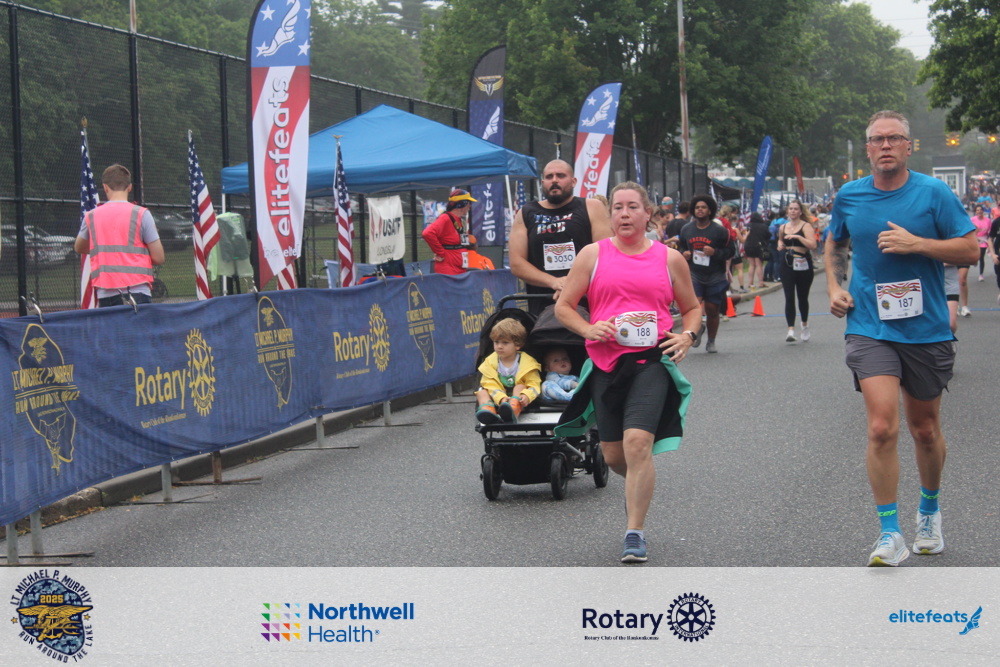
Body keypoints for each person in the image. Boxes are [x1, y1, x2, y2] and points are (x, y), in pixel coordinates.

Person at [825, 110, 978, 567]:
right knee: (881, 426)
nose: (886, 145)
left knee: (924, 429)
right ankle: (889, 532)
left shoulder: (933, 193)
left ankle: (929, 512)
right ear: (868, 148)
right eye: (878, 139)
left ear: (909, 146)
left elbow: (970, 248)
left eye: (894, 138)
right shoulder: (850, 195)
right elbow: (835, 242)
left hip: (925, 328)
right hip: (870, 326)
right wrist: (834, 286)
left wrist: (919, 244)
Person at [554, 181, 702, 563]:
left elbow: (692, 308)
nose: (624, 213)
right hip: (606, 363)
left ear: (647, 214)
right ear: (610, 215)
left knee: (638, 444)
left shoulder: (669, 259)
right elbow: (564, 307)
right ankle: (639, 483)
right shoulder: (592, 255)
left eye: (632, 206)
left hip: (651, 362)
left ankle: (634, 532)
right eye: (617, 207)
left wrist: (687, 336)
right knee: (615, 456)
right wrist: (589, 329)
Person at [508, 159, 612, 314]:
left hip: (588, 303)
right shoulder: (526, 212)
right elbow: (517, 263)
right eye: (549, 177)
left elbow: (606, 255)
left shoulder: (592, 207)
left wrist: (573, 286)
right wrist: (554, 282)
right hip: (542, 305)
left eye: (561, 175)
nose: (554, 180)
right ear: (543, 182)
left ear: (573, 181)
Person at [74, 164, 165, 308]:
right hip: (138, 290)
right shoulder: (141, 214)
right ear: (129, 187)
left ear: (105, 187)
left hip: (106, 292)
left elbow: (79, 247)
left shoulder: (91, 216)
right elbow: (159, 257)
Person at [677, 194, 733, 353]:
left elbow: (731, 251)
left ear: (710, 210)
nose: (700, 210)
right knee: (693, 305)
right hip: (694, 274)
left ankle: (711, 340)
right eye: (697, 208)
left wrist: (715, 252)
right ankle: (698, 327)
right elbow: (681, 247)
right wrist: (684, 253)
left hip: (715, 275)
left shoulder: (720, 231)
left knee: (712, 309)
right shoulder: (687, 229)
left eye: (703, 207)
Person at [475, 318, 541, 424]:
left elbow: (534, 384)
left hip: (519, 399)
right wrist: (501, 398)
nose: (499, 346)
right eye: (496, 342)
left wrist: (527, 396)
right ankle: (488, 411)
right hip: (497, 397)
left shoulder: (528, 363)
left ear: (517, 345)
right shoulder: (490, 362)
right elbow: (489, 383)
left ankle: (512, 409)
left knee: (520, 386)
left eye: (505, 343)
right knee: (482, 392)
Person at [778, 200, 818, 342]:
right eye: (791, 209)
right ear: (787, 211)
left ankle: (804, 325)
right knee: (789, 296)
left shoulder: (806, 226)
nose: (793, 211)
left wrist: (798, 237)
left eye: (796, 209)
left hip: (803, 263)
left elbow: (813, 245)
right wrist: (780, 245)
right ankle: (791, 330)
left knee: (802, 297)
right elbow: (780, 240)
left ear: (800, 212)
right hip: (787, 263)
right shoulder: (783, 227)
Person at [421, 189, 478, 275]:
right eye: (469, 203)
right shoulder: (445, 218)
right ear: (463, 204)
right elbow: (427, 233)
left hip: (459, 268)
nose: (470, 206)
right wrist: (440, 253)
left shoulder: (459, 220)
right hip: (449, 269)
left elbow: (461, 242)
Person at [740, 212, 770, 289]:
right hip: (759, 246)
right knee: (759, 264)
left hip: (748, 246)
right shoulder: (763, 226)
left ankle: (750, 282)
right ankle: (761, 282)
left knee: (751, 264)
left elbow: (743, 233)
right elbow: (768, 235)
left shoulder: (747, 226)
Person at [970, 204, 991, 281]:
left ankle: (981, 274)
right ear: (975, 212)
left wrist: (990, 242)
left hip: (983, 240)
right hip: (975, 239)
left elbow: (989, 231)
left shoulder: (988, 220)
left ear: (983, 211)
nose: (979, 211)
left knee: (981, 256)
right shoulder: (972, 220)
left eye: (980, 210)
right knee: (976, 255)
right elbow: (969, 230)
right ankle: (975, 260)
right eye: (977, 210)